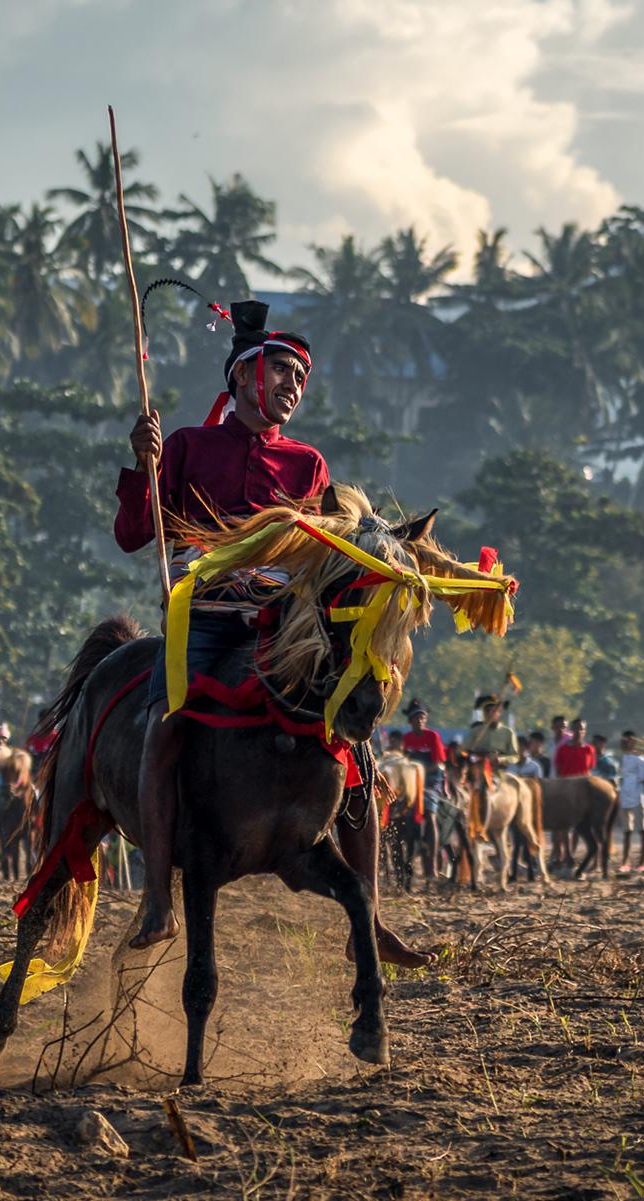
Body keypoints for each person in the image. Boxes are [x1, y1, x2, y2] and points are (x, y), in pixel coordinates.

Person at [116, 303, 422, 966]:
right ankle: (158, 900)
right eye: (282, 371)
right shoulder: (190, 448)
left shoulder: (309, 464)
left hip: (282, 624)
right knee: (164, 726)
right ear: (244, 376)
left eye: (300, 379)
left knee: (355, 744)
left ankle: (368, 914)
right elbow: (133, 534)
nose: (293, 386)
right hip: (202, 613)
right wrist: (145, 465)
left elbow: (325, 552)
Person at [399, 702, 449, 883]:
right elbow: (403, 763)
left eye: (422, 717)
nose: (419, 720)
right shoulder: (406, 739)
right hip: (411, 783)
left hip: (430, 781)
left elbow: (437, 764)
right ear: (410, 721)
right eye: (416, 717)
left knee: (430, 813)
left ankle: (433, 864)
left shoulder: (433, 736)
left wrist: (419, 774)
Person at [615, 731, 644, 874]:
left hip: (637, 795)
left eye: (626, 741)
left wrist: (636, 790)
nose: (623, 744)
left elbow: (643, 778)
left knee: (642, 829)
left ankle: (642, 861)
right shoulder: (623, 757)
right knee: (626, 831)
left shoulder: (640, 759)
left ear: (632, 742)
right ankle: (625, 861)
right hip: (625, 795)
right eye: (622, 741)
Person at [463, 694, 519, 770]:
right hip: (478, 769)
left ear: (499, 712)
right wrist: (474, 755)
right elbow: (463, 751)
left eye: (492, 710)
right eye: (486, 710)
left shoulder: (508, 733)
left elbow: (515, 757)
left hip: (499, 770)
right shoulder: (475, 731)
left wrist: (500, 759)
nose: (489, 713)